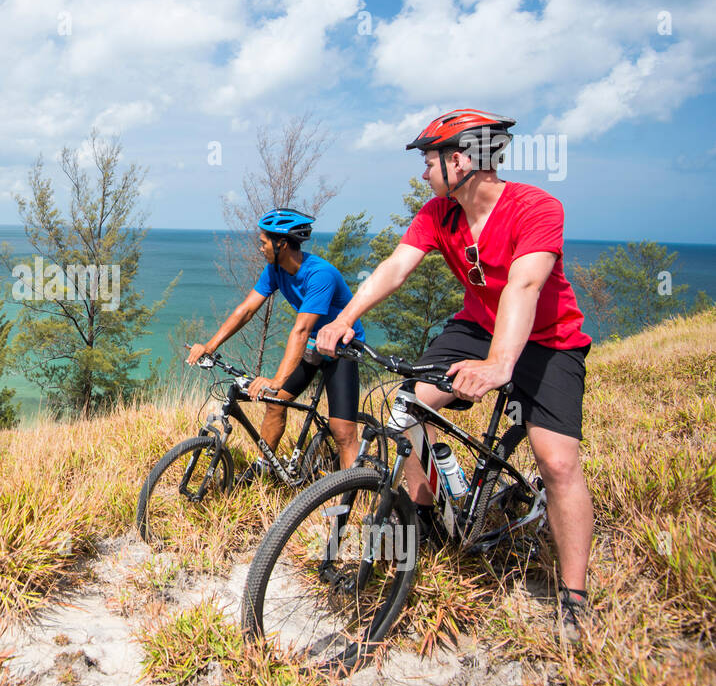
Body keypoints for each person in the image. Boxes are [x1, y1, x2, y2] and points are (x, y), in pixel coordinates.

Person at [315, 108, 594, 642]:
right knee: (406, 408)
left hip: (549, 338)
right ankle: (426, 511)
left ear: (461, 160)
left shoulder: (536, 207)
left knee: (557, 463)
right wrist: (343, 320)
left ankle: (574, 597)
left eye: (429, 160)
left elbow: (525, 287)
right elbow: (395, 268)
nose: (424, 172)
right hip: (475, 326)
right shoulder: (438, 213)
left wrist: (499, 365)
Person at [187, 208, 367, 480]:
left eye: (263, 242)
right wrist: (209, 346)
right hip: (315, 346)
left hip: (342, 348)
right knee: (275, 402)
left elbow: (301, 330)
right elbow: (245, 310)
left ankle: (354, 498)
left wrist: (278, 379)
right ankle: (264, 469)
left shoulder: (320, 275)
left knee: (343, 431)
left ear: (281, 243)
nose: (260, 248)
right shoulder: (275, 270)